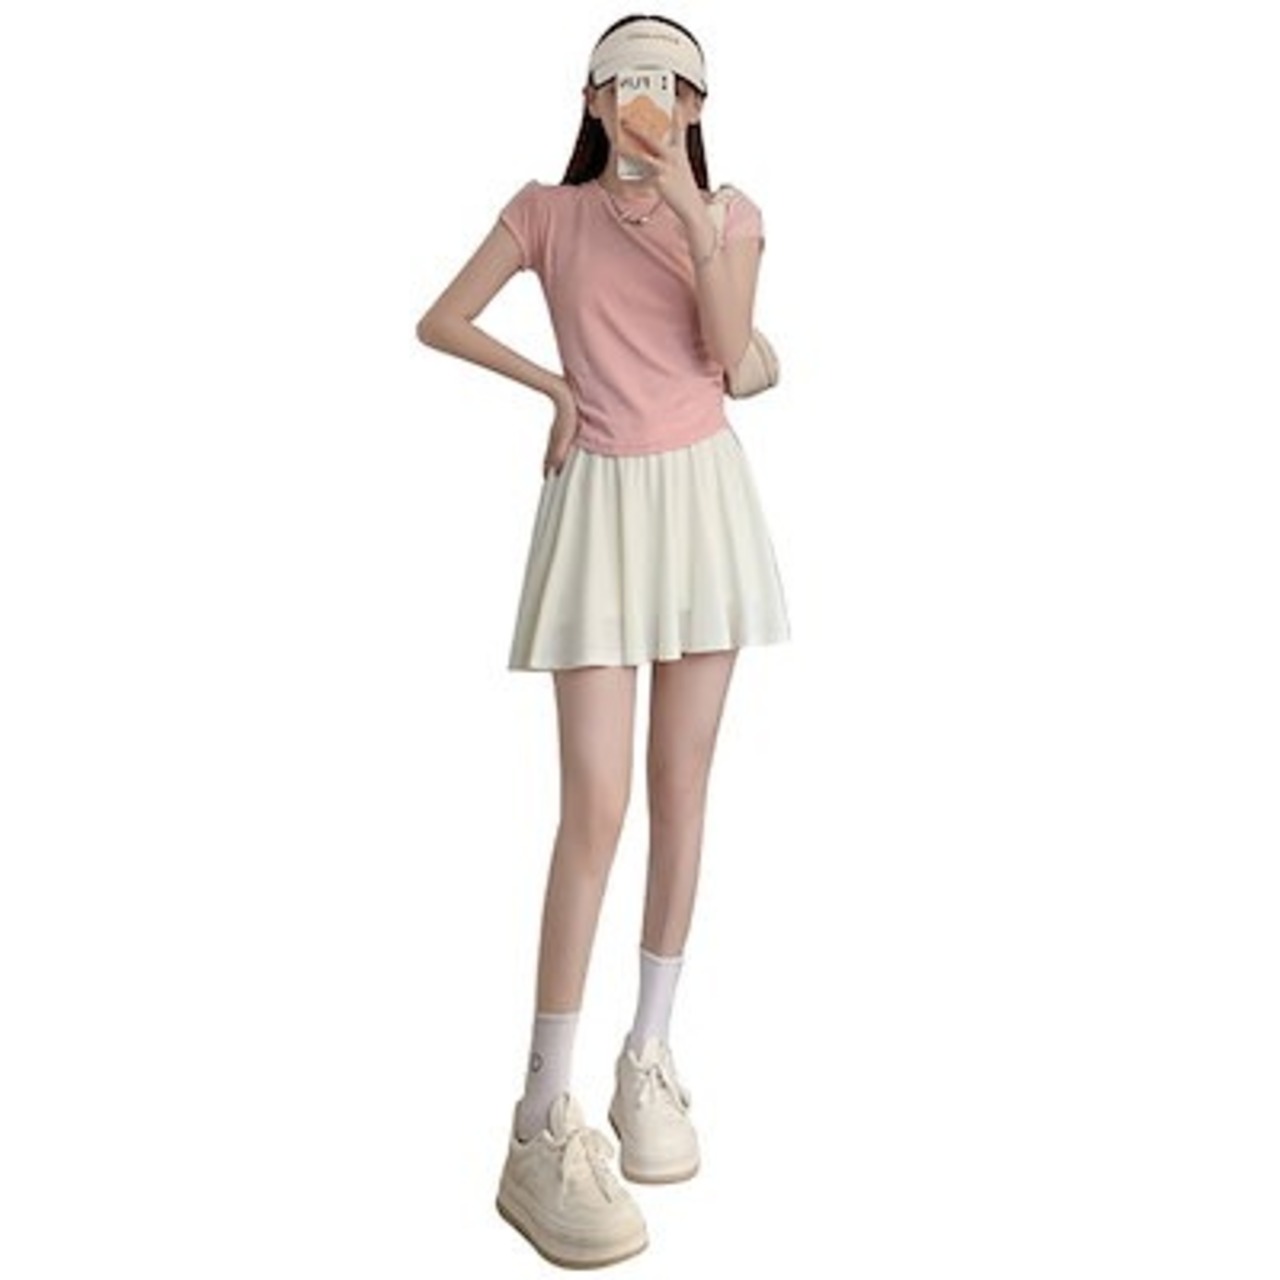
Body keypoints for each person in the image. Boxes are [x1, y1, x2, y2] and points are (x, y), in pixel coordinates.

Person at [416, 13, 790, 1268]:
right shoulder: (545, 212)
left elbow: (727, 353)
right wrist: (555, 386)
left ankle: (649, 1051)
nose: (650, 99)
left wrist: (687, 209)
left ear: (695, 107)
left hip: (700, 500)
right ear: (590, 96)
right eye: (630, 80)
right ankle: (538, 1112)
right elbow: (441, 317)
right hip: (598, 507)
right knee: (593, 804)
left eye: (674, 86)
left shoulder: (729, 213)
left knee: (683, 787)